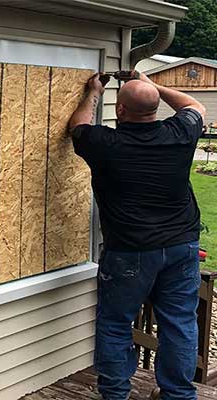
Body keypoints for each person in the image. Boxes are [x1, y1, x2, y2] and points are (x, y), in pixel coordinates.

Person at [69, 72, 206, 400]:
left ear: (120, 110)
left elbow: (77, 126)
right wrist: (151, 84)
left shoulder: (105, 143)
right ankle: (178, 395)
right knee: (179, 322)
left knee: (116, 323)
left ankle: (116, 394)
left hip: (130, 252)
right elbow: (195, 105)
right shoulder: (179, 133)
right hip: (181, 248)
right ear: (156, 109)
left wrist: (93, 92)